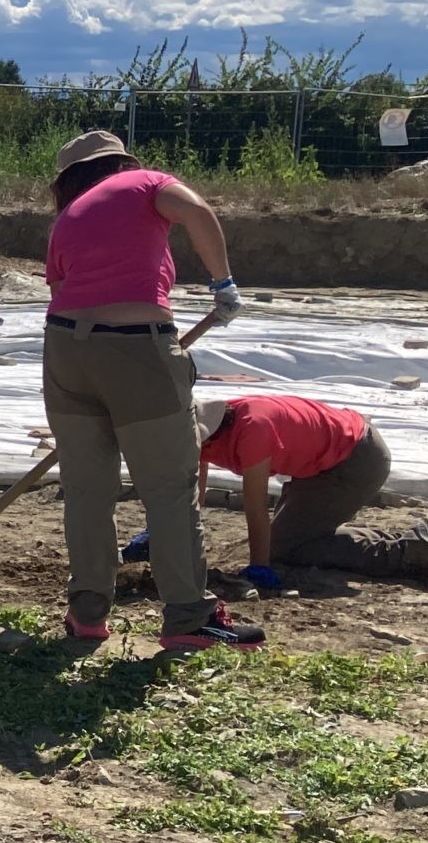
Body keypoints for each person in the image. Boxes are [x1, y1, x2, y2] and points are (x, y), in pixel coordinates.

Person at [41, 129, 263, 652]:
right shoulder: (144, 183)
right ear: (120, 164)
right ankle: (188, 616)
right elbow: (198, 212)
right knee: (168, 488)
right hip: (137, 348)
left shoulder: (66, 221)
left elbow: (64, 292)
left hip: (65, 352)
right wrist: (223, 283)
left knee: (87, 490)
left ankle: (87, 613)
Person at [168, 396, 428, 592]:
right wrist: (164, 535)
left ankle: (413, 552)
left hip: (357, 459)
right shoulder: (211, 429)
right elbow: (195, 494)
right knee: (293, 536)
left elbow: (255, 507)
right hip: (324, 460)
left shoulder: (252, 430)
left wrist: (259, 567)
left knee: (288, 547)